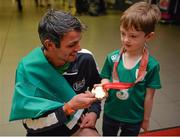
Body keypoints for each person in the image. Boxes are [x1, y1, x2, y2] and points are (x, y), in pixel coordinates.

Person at [9, 9, 101, 136]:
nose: (78, 48)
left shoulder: (85, 59)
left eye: (79, 41)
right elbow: (31, 124)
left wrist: (94, 112)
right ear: (50, 44)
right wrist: (68, 108)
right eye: (71, 45)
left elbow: (98, 88)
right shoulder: (28, 70)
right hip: (44, 131)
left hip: (77, 125)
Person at [100, 2, 162, 136]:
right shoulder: (112, 58)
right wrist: (105, 84)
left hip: (134, 119)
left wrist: (146, 119)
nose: (126, 40)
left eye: (133, 36)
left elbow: (149, 96)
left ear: (149, 36)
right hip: (111, 113)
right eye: (123, 33)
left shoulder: (152, 65)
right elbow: (104, 76)